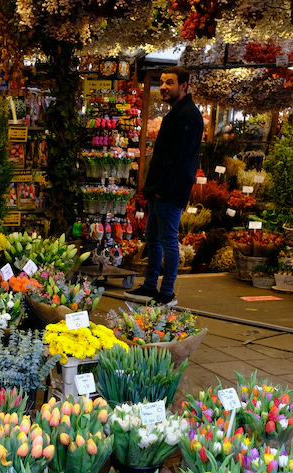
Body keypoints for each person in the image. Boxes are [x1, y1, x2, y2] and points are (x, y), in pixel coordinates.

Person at [125, 66, 204, 306]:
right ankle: (150, 287)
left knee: (168, 240)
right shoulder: (178, 112)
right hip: (161, 190)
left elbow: (179, 159)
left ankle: (167, 293)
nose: (163, 87)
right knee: (153, 237)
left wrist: (161, 188)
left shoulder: (187, 115)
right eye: (161, 82)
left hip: (169, 191)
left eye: (169, 82)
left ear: (184, 86)